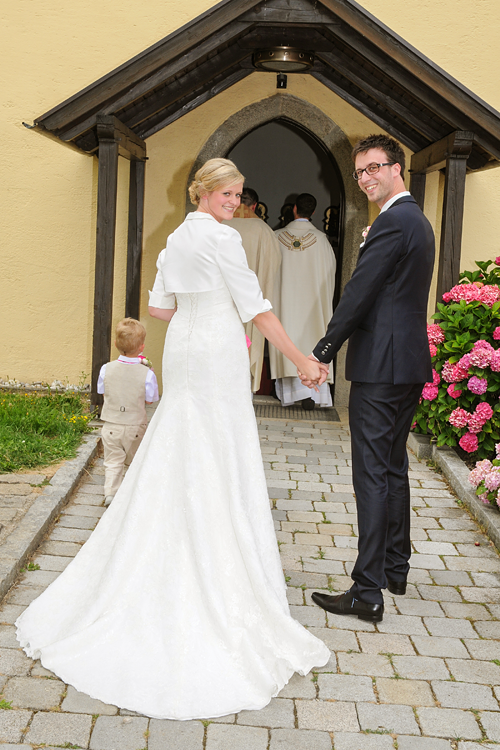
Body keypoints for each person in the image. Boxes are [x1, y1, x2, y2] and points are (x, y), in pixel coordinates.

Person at [16, 158, 329, 720]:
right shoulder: (224, 240)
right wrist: (301, 357)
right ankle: (211, 553)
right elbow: (257, 310)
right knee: (217, 445)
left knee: (182, 437)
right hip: (214, 347)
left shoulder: (174, 238)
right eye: (228, 193)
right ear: (204, 191)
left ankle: (170, 540)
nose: (236, 201)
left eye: (238, 194)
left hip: (184, 343)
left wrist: (197, 305)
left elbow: (159, 308)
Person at [305, 135, 435, 622]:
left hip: (381, 366)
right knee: (393, 465)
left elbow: (360, 292)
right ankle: (395, 567)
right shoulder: (416, 220)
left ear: (397, 168)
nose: (365, 179)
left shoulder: (393, 221)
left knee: (371, 473)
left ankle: (367, 590)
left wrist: (323, 351)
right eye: (359, 172)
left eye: (374, 168)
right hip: (406, 363)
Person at [270, 193, 336, 410]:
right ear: (314, 212)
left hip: (284, 306)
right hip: (312, 309)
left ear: (294, 209)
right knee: (312, 339)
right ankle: (315, 395)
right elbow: (330, 277)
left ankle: (288, 395)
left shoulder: (276, 237)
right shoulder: (322, 241)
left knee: (285, 335)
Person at [97, 317, 159, 506]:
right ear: (142, 347)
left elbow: (102, 391)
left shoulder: (106, 369)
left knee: (113, 460)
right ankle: (133, 494)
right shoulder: (147, 373)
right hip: (135, 425)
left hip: (111, 424)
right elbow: (151, 399)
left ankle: (111, 493)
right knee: (135, 461)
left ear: (115, 344)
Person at [225, 187, 281, 392]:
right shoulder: (264, 230)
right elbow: (273, 267)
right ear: (255, 206)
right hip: (250, 304)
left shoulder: (221, 224)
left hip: (223, 301)